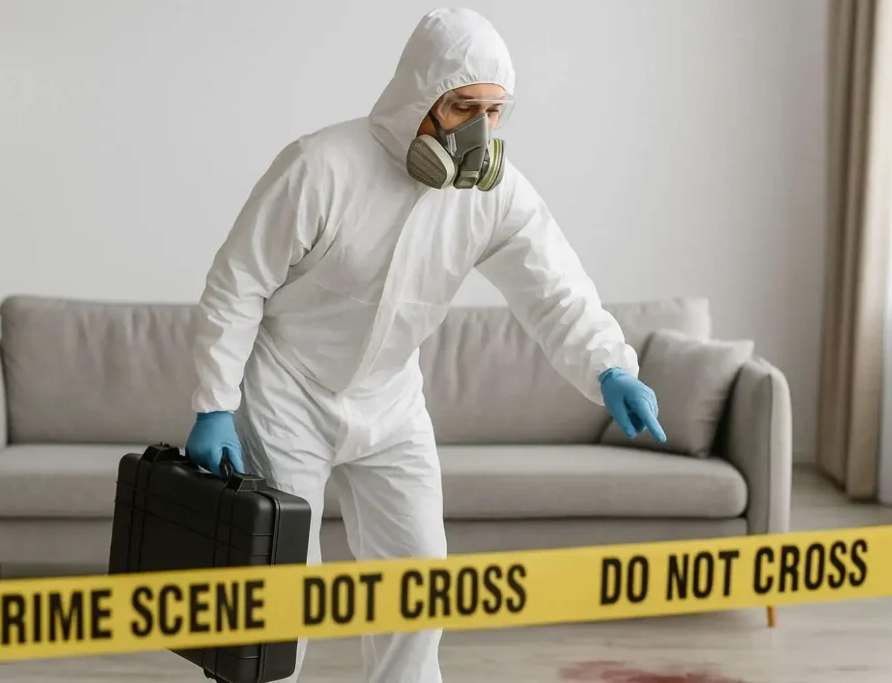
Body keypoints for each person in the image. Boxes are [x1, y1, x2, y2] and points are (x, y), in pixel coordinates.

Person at [186, 7, 666, 682]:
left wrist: (609, 365)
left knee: (418, 584)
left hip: (391, 402)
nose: (479, 130)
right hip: (285, 395)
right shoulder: (320, 166)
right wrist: (213, 402)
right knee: (279, 591)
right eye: (461, 105)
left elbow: (554, 289)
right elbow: (237, 284)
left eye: (494, 111)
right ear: (419, 96)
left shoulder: (496, 199)